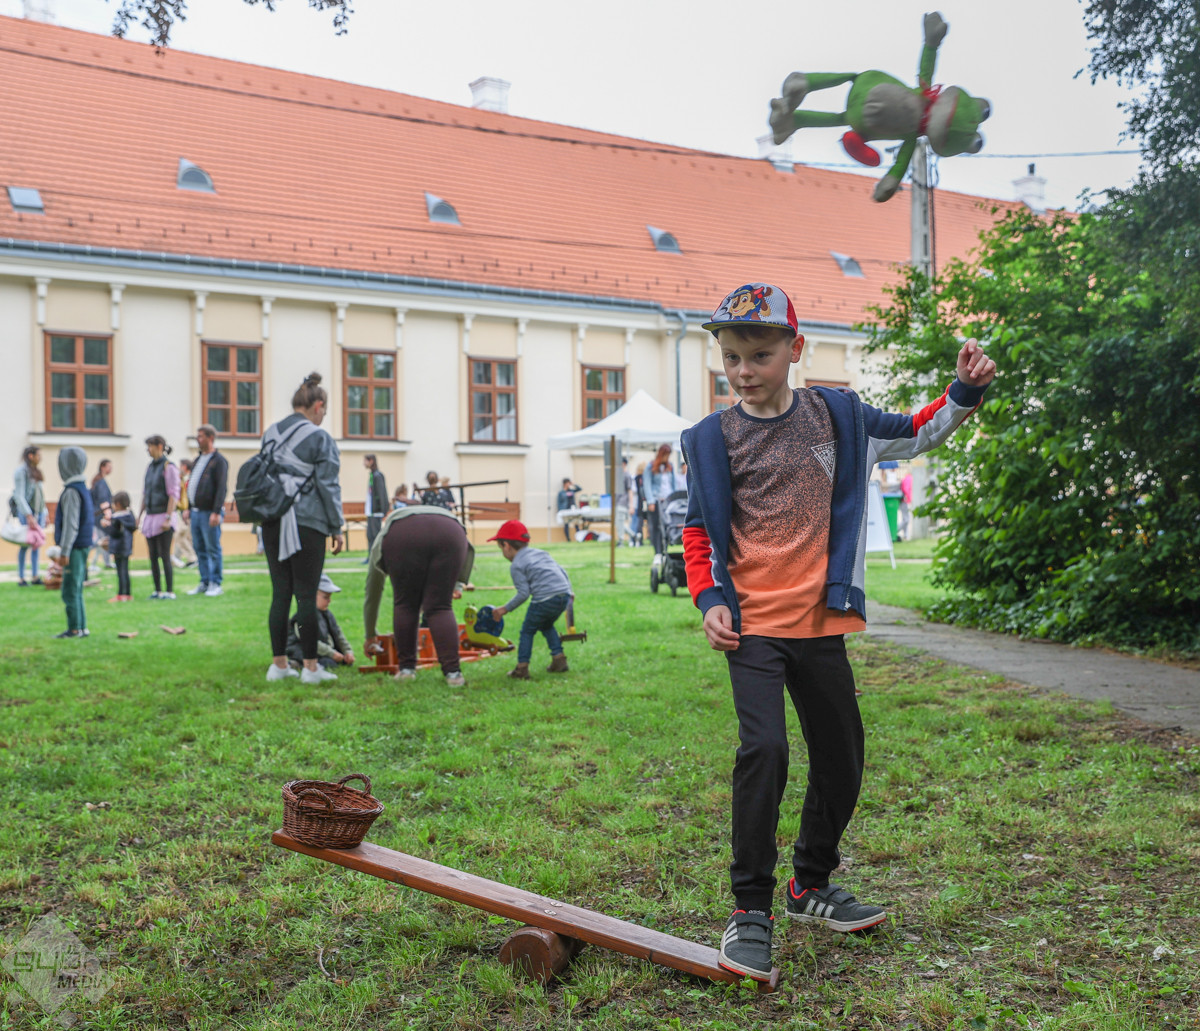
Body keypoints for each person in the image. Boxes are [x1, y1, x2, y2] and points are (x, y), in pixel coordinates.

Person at [681, 282, 996, 982]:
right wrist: (709, 599)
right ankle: (751, 906)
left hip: (821, 624)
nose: (743, 371)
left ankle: (809, 883)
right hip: (753, 629)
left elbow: (918, 430)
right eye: (731, 357)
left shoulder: (840, 417)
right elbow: (697, 530)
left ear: (795, 349)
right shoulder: (710, 439)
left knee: (843, 756)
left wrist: (965, 389)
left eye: (759, 355)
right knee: (764, 749)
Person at [262, 372, 344, 685]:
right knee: (307, 595)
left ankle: (279, 665)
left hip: (272, 520)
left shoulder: (271, 432)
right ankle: (310, 668)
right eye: (325, 411)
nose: (324, 417)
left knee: (280, 593)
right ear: (318, 405)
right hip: (307, 521)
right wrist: (336, 526)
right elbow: (328, 486)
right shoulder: (320, 438)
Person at [363, 500, 475, 687]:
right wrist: (457, 584)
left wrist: (370, 634)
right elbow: (463, 553)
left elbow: (373, 589)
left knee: (406, 604)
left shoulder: (388, 531)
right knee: (440, 607)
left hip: (404, 536)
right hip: (452, 532)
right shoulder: (445, 518)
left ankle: (406, 671)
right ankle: (454, 675)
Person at [489, 519, 573, 680]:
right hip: (564, 595)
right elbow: (561, 571)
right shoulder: (541, 553)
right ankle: (559, 660)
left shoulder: (516, 565)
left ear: (506, 545)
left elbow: (523, 593)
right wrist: (569, 591)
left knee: (527, 631)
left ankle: (522, 669)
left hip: (545, 599)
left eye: (500, 548)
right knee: (546, 625)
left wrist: (505, 609)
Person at [52, 446, 94, 639]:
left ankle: (74, 629)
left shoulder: (71, 491)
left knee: (70, 589)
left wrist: (65, 551)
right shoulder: (83, 488)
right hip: (83, 545)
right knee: (77, 588)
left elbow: (71, 524)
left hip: (74, 548)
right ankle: (81, 627)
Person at [187, 423, 229, 598]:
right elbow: (191, 485)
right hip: (196, 512)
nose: (198, 439)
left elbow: (221, 488)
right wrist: (188, 508)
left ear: (211, 438)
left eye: (201, 436)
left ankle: (215, 583)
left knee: (212, 548)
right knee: (199, 548)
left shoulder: (218, 461)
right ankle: (204, 581)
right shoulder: (198, 460)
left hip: (209, 513)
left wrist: (216, 512)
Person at [138, 435, 179, 600]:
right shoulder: (150, 467)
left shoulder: (169, 467)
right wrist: (139, 515)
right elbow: (145, 493)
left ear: (160, 446)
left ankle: (169, 591)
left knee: (165, 555)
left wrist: (168, 517)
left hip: (163, 516)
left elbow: (173, 494)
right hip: (151, 516)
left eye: (150, 446)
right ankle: (157, 590)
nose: (148, 450)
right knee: (153, 556)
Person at [286, 573, 355, 671]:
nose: (329, 601)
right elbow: (309, 641)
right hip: (304, 652)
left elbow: (338, 634)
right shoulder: (303, 616)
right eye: (325, 597)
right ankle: (297, 663)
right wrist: (332, 653)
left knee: (343, 662)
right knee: (328, 663)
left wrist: (347, 652)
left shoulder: (327, 614)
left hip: (324, 652)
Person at [12, 446, 47, 586]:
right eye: (38, 455)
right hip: (27, 514)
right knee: (25, 544)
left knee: (36, 545)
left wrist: (45, 512)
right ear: (31, 456)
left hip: (39, 513)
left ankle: (35, 576)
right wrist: (28, 515)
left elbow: (40, 494)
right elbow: (19, 496)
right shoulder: (21, 472)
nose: (40, 458)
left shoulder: (36, 472)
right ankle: (21, 578)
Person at [104, 491, 136, 602]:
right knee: (125, 571)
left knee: (120, 572)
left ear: (117, 504)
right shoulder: (130, 516)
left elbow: (114, 533)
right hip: (126, 546)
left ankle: (121, 594)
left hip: (118, 547)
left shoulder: (117, 518)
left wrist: (107, 526)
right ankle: (127, 594)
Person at [646, 444, 675, 552]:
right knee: (656, 527)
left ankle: (664, 551)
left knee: (667, 527)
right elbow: (647, 484)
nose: (667, 457)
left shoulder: (670, 466)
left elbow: (673, 484)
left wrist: (675, 499)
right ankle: (657, 552)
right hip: (656, 501)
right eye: (666, 455)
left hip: (668, 501)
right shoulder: (651, 467)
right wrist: (650, 501)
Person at [88, 458, 114, 572]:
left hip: (97, 515)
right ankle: (89, 559)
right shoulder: (101, 483)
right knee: (100, 541)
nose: (111, 469)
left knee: (102, 540)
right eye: (109, 466)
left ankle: (106, 562)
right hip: (100, 516)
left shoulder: (98, 481)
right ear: (102, 467)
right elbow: (104, 501)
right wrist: (108, 516)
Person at [173, 458, 198, 569]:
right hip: (184, 512)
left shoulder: (189, 481)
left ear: (184, 467)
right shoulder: (184, 480)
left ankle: (192, 558)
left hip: (187, 513)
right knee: (184, 536)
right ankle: (177, 558)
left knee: (180, 535)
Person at [363, 454, 388, 561]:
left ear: (371, 461)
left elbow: (381, 493)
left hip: (376, 512)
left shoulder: (377, 476)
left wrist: (382, 510)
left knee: (375, 535)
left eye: (365, 461)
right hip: (370, 511)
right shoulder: (372, 475)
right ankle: (370, 557)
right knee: (370, 535)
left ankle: (376, 558)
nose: (364, 463)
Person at [898, 469, 914, 541]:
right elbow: (906, 488)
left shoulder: (906, 478)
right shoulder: (909, 478)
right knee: (906, 519)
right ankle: (895, 530)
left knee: (905, 518)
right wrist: (908, 498)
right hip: (905, 500)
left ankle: (906, 535)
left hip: (903, 500)